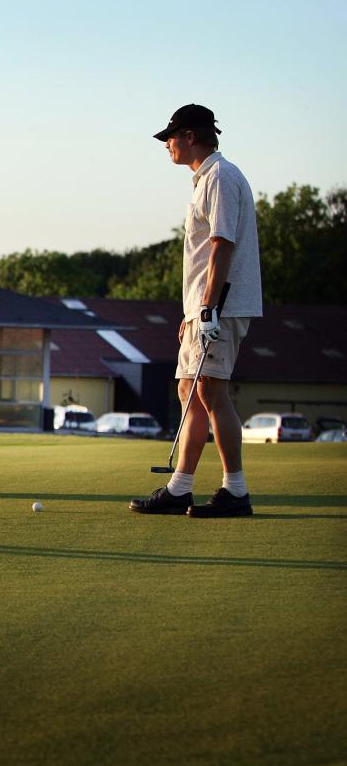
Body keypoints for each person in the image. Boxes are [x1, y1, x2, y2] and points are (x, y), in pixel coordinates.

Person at [130, 104, 262, 519]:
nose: (166, 144)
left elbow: (222, 244)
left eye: (170, 136)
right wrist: (192, 311)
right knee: (190, 392)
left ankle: (235, 491)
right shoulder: (205, 179)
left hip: (221, 305)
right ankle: (179, 488)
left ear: (190, 136)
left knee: (210, 391)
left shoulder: (221, 177)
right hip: (203, 308)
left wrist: (207, 308)